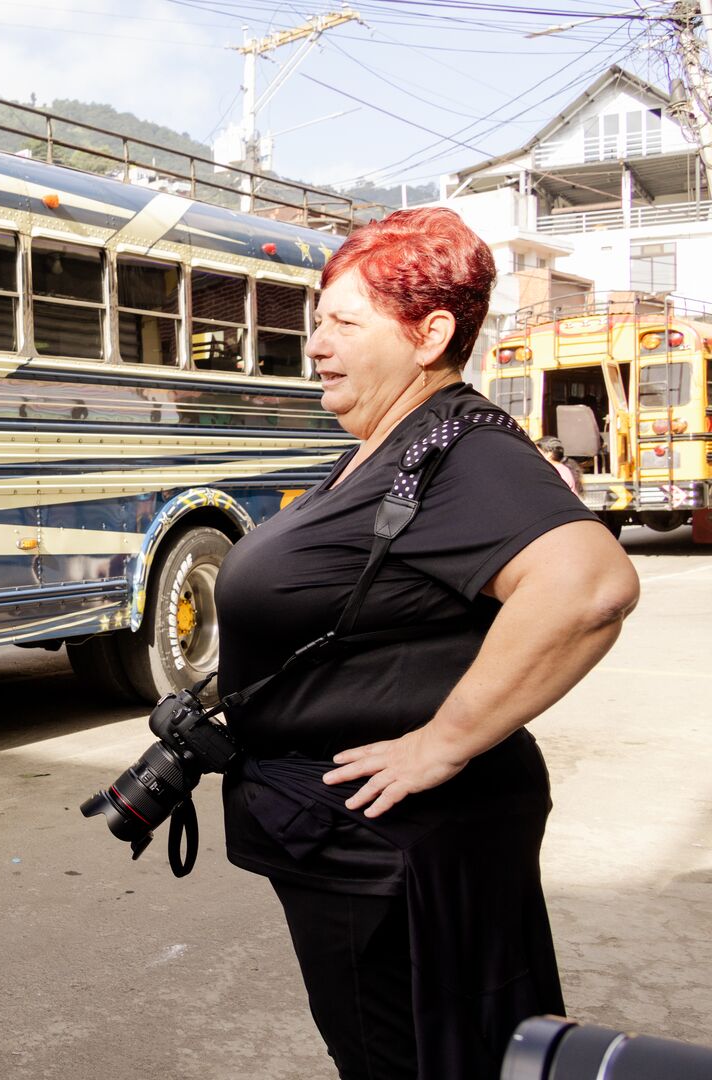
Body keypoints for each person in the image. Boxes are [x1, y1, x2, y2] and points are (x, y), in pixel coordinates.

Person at [213, 209, 640, 1080]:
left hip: (395, 857)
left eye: (345, 321)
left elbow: (590, 585)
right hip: (354, 850)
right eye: (317, 319)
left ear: (429, 334)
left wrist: (442, 743)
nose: (316, 343)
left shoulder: (460, 448)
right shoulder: (390, 445)